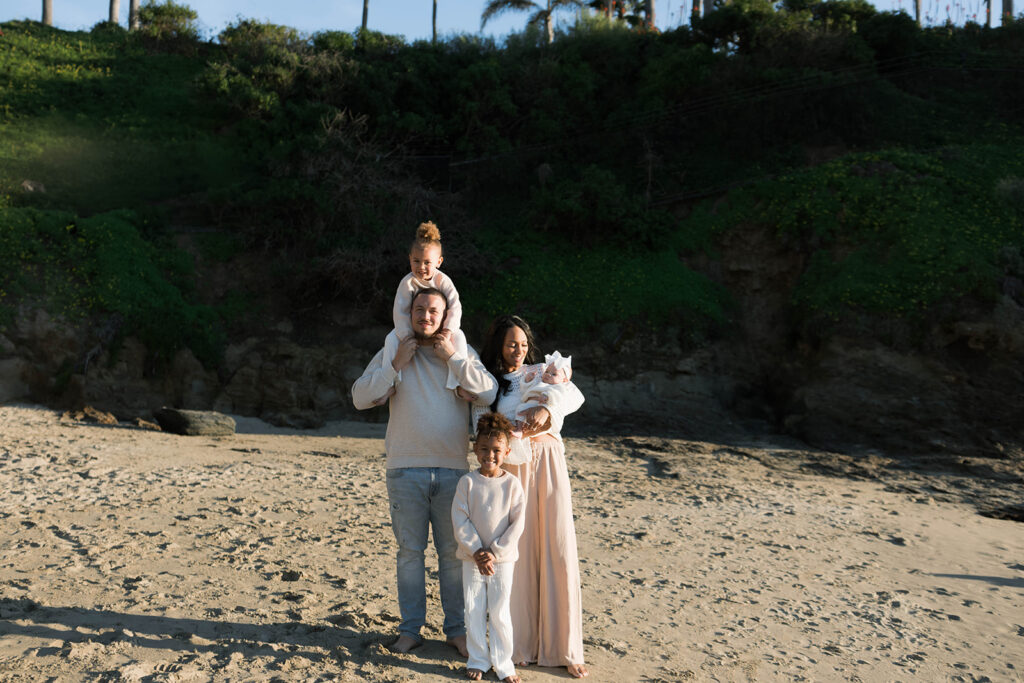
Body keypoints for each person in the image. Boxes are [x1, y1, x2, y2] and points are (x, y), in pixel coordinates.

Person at [352, 288, 497, 655]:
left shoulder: (458, 350)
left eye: (434, 310)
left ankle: (456, 631)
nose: (426, 317)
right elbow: (359, 396)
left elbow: (489, 391)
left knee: (452, 556)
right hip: (404, 469)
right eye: (419, 309)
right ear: (409, 312)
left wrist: (454, 360)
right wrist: (394, 364)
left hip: (452, 470)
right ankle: (410, 629)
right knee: (409, 554)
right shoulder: (395, 349)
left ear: (446, 315)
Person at [480, 315, 589, 678]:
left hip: (549, 461)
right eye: (512, 344)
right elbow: (481, 427)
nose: (519, 350)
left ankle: (566, 647)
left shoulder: (545, 370)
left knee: (557, 548)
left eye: (524, 344)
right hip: (513, 467)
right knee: (518, 553)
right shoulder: (492, 384)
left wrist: (547, 408)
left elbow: (573, 396)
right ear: (499, 346)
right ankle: (521, 643)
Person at [451, 412, 526, 683]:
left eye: (496, 450)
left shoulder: (512, 484)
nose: (490, 455)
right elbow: (460, 520)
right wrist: (477, 551)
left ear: (506, 451)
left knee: (499, 611)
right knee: (473, 609)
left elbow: (517, 523)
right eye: (484, 449)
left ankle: (503, 663)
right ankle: (478, 659)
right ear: (475, 449)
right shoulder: (467, 483)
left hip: (502, 561)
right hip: (471, 560)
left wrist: (493, 552)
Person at [376, 221, 467, 401]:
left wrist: (448, 330)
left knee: (460, 338)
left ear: (439, 262)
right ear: (410, 258)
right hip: (412, 331)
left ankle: (458, 384)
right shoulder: (407, 283)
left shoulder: (443, 281)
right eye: (416, 261)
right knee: (391, 339)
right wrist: (406, 335)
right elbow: (400, 312)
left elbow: (455, 307)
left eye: (427, 262)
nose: (421, 267)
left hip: (439, 330)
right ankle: (391, 384)